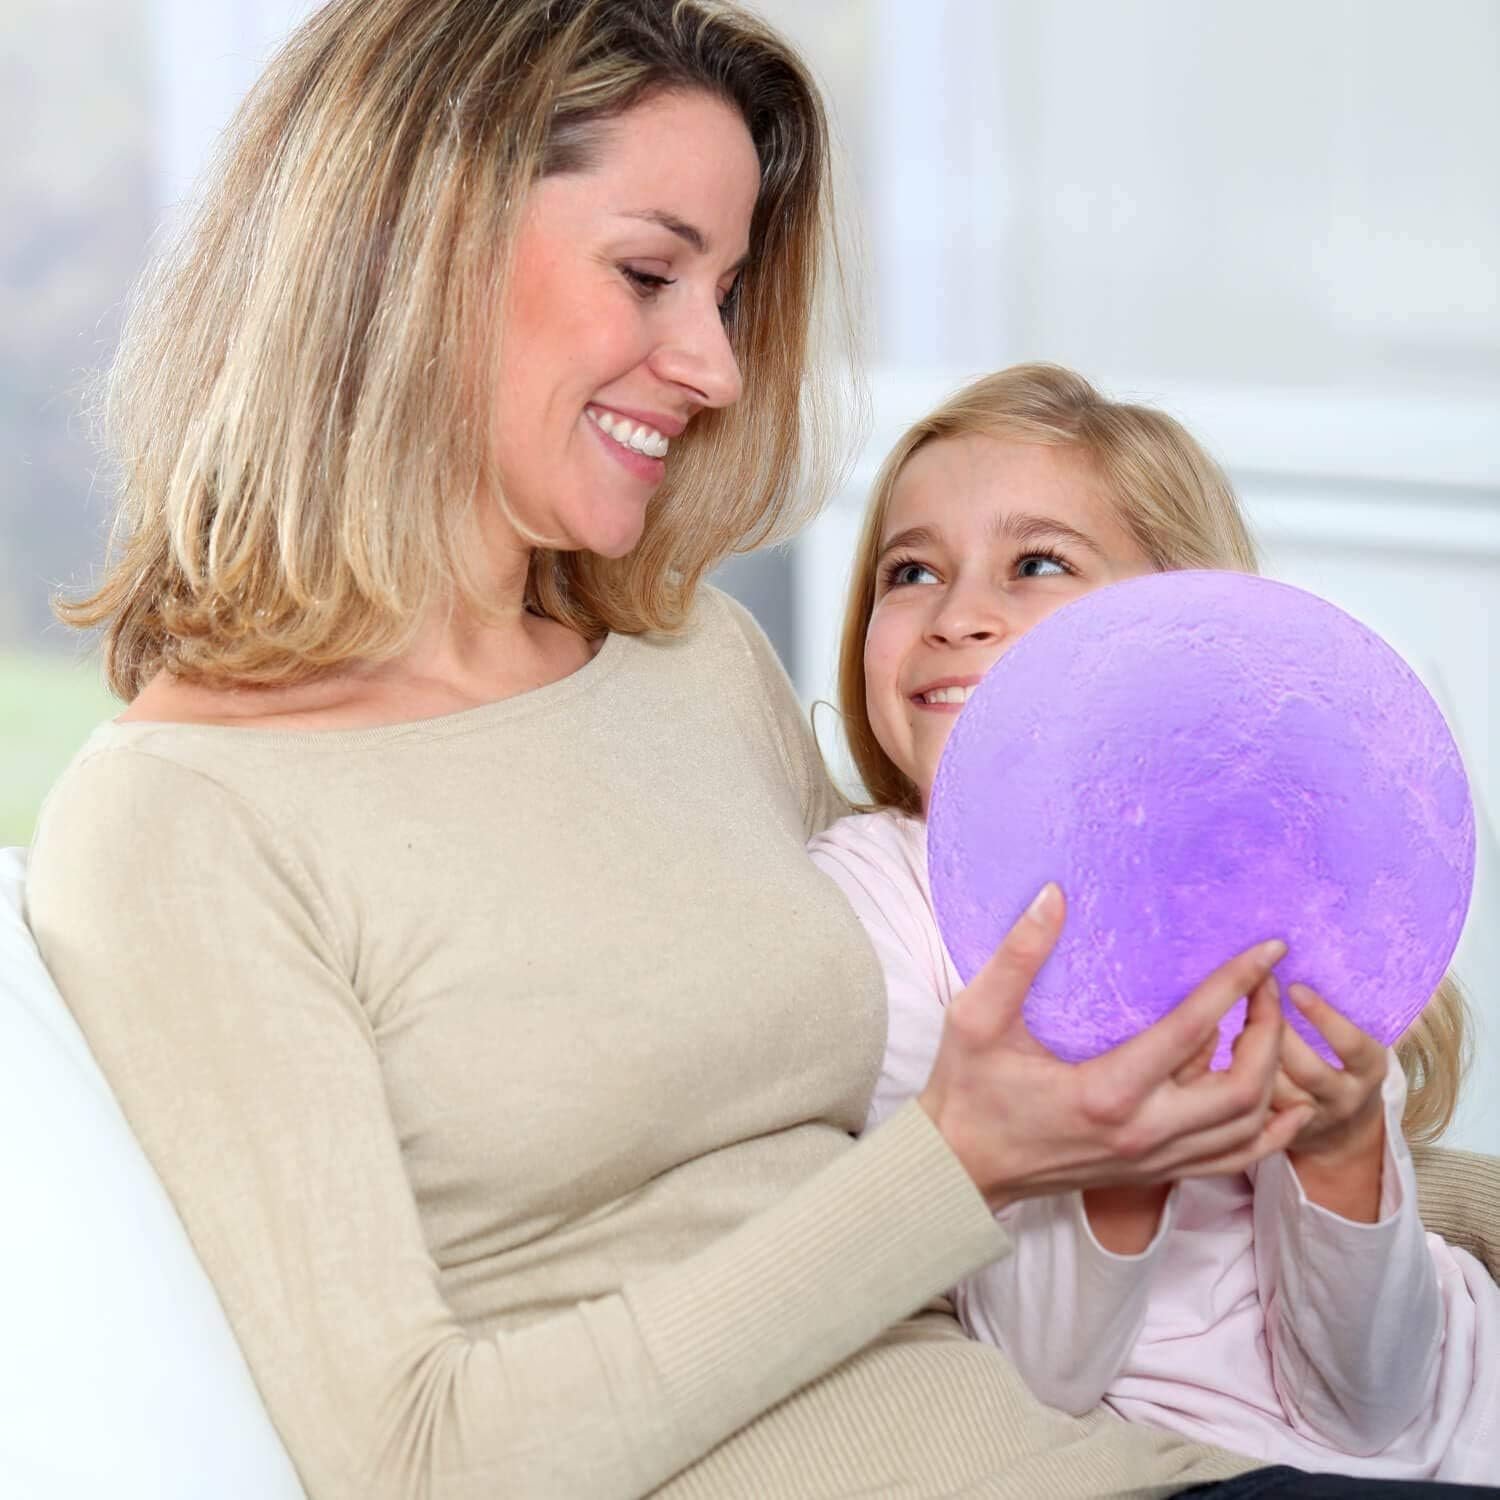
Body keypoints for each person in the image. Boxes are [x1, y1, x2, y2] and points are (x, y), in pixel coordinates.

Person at [19, 0, 1492, 1494]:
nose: (716, 368)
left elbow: (1016, 1085)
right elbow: (418, 1461)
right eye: (650, 274)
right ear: (413, 251)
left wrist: (1432, 1191)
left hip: (1120, 1460)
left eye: (724, 293)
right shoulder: (183, 822)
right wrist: (962, 1166)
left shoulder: (688, 663)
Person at [808, 362, 1500, 1484]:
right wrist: (1122, 1157)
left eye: (1037, 563)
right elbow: (1029, 1380)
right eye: (911, 570)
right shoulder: (876, 903)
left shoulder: (1267, 871)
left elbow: (1371, 1402)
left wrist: (1337, 1150)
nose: (957, 615)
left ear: (1183, 618)